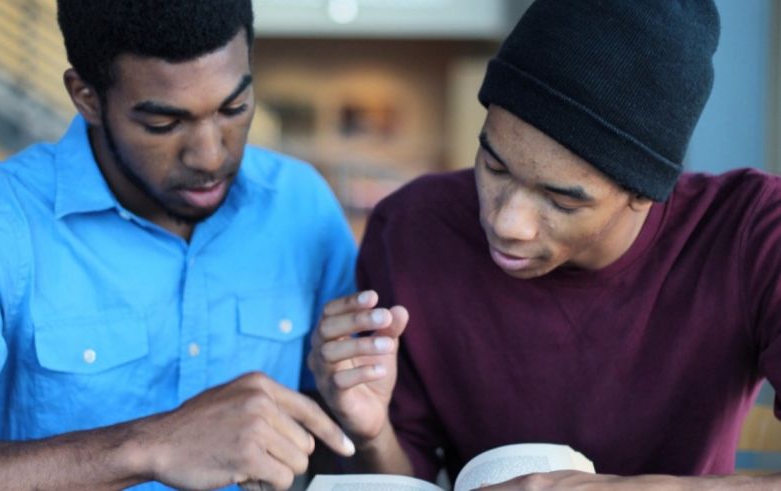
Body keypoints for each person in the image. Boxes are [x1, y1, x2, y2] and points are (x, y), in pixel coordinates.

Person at [310, 0, 781, 488]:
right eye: (494, 167)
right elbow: (409, 479)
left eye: (562, 200)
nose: (507, 222)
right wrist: (371, 433)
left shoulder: (753, 232)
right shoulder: (411, 228)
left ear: (643, 195)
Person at [0, 1, 357, 490]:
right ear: (86, 97)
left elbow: (338, 432)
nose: (209, 155)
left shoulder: (300, 205)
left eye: (234, 108)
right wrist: (149, 445)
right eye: (163, 123)